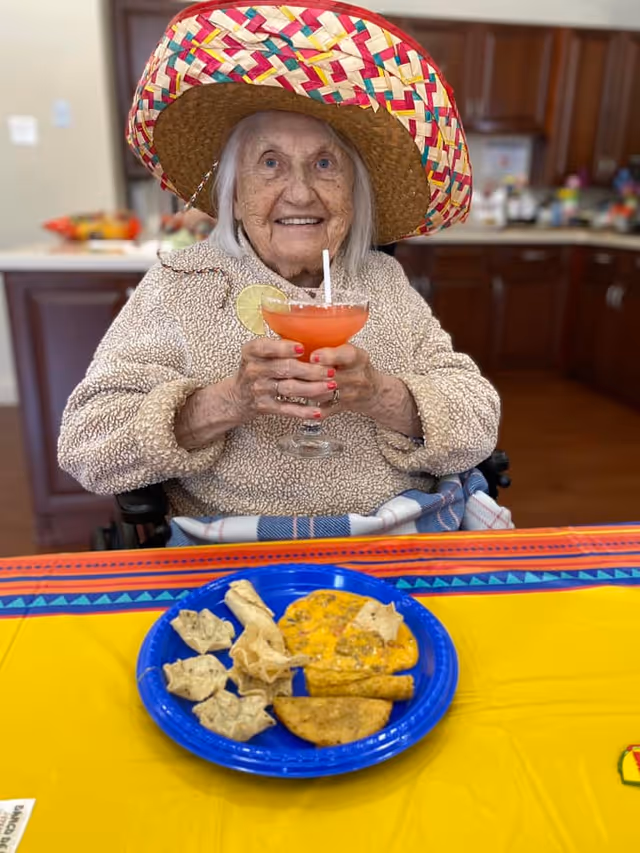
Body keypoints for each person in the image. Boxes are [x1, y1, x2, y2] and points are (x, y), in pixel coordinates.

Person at [58, 0, 504, 543]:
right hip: (232, 550)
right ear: (235, 192)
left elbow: (478, 420)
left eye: (324, 164)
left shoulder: (381, 282)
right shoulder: (183, 284)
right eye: (270, 163)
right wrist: (227, 401)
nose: (299, 192)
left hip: (395, 540)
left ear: (352, 194)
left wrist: (381, 395)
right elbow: (86, 444)